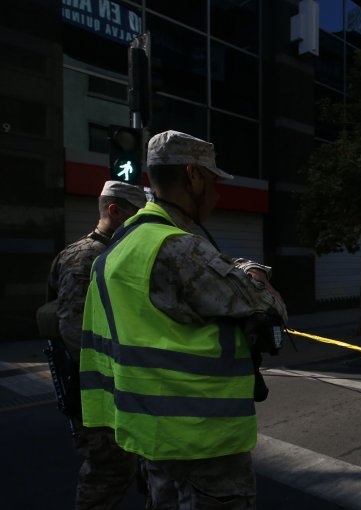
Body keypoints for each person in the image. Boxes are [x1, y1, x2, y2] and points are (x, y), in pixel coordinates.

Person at [79, 130, 288, 509]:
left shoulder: (119, 249)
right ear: (192, 175)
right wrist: (255, 271)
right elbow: (268, 307)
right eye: (211, 180)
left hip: (152, 435)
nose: (217, 193)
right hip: (203, 439)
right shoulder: (179, 248)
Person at [46, 180, 147, 509]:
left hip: (117, 388)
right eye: (136, 215)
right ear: (115, 211)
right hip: (98, 392)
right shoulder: (86, 258)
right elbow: (75, 331)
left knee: (140, 465)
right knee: (109, 470)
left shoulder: (115, 254)